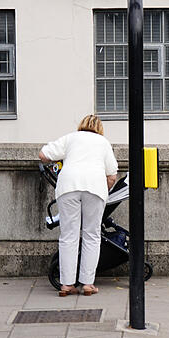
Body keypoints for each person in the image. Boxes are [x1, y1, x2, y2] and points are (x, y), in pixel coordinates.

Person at [38, 114, 118, 297]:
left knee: (68, 236)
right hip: (95, 188)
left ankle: (66, 285)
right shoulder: (103, 142)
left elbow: (43, 154)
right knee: (91, 234)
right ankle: (88, 284)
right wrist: (102, 189)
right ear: (100, 128)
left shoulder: (70, 138)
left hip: (68, 187)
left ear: (81, 125)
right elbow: (112, 175)